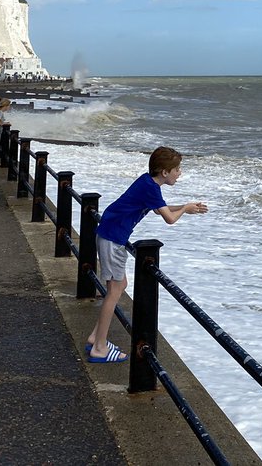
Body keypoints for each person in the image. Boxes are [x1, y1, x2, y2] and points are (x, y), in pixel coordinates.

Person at [86, 147, 207, 364]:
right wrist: (185, 208)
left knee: (119, 286)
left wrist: (185, 208)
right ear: (164, 172)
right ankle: (99, 348)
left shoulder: (147, 183)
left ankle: (96, 337)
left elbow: (159, 209)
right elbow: (169, 219)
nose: (179, 173)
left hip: (110, 235)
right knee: (114, 291)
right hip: (113, 239)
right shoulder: (151, 188)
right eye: (176, 169)